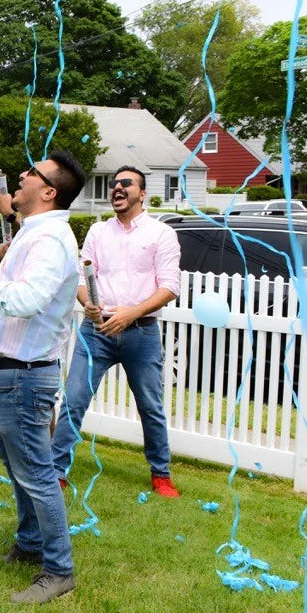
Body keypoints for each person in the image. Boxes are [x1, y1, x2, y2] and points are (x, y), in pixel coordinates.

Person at [0, 150, 87, 605]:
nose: (22, 176)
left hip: (25, 377)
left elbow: (26, 299)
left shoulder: (50, 240)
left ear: (48, 192)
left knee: (37, 474)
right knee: (20, 469)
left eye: (32, 172)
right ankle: (30, 544)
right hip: (9, 374)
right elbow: (28, 303)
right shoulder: (35, 234)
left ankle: (59, 569)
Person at [51, 167, 182, 498]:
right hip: (96, 331)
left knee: (150, 405)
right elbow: (81, 279)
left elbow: (170, 286)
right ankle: (56, 472)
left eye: (126, 183)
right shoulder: (97, 231)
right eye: (113, 184)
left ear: (142, 193)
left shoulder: (160, 233)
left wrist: (132, 313)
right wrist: (87, 303)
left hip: (142, 333)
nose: (117, 188)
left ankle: (161, 475)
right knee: (74, 399)